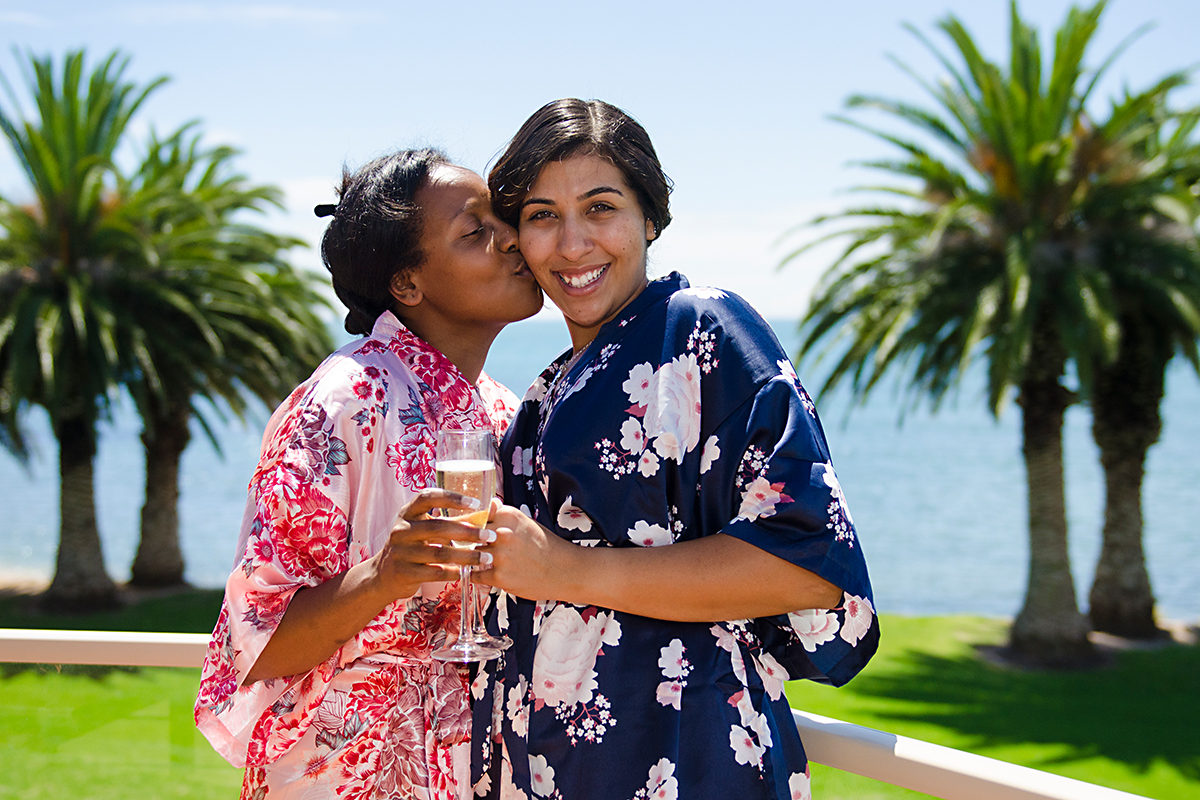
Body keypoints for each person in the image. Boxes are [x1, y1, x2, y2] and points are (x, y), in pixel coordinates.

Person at [469, 100, 879, 800]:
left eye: (601, 208)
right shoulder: (547, 388)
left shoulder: (701, 328)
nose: (572, 245)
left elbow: (808, 566)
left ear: (649, 218)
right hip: (546, 768)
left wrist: (564, 570)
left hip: (677, 761)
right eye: (542, 216)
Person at [194, 148, 543, 800]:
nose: (512, 238)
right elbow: (256, 646)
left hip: (478, 759)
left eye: (504, 219)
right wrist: (383, 576)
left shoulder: (504, 409)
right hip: (348, 767)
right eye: (476, 232)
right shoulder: (342, 401)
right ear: (407, 284)